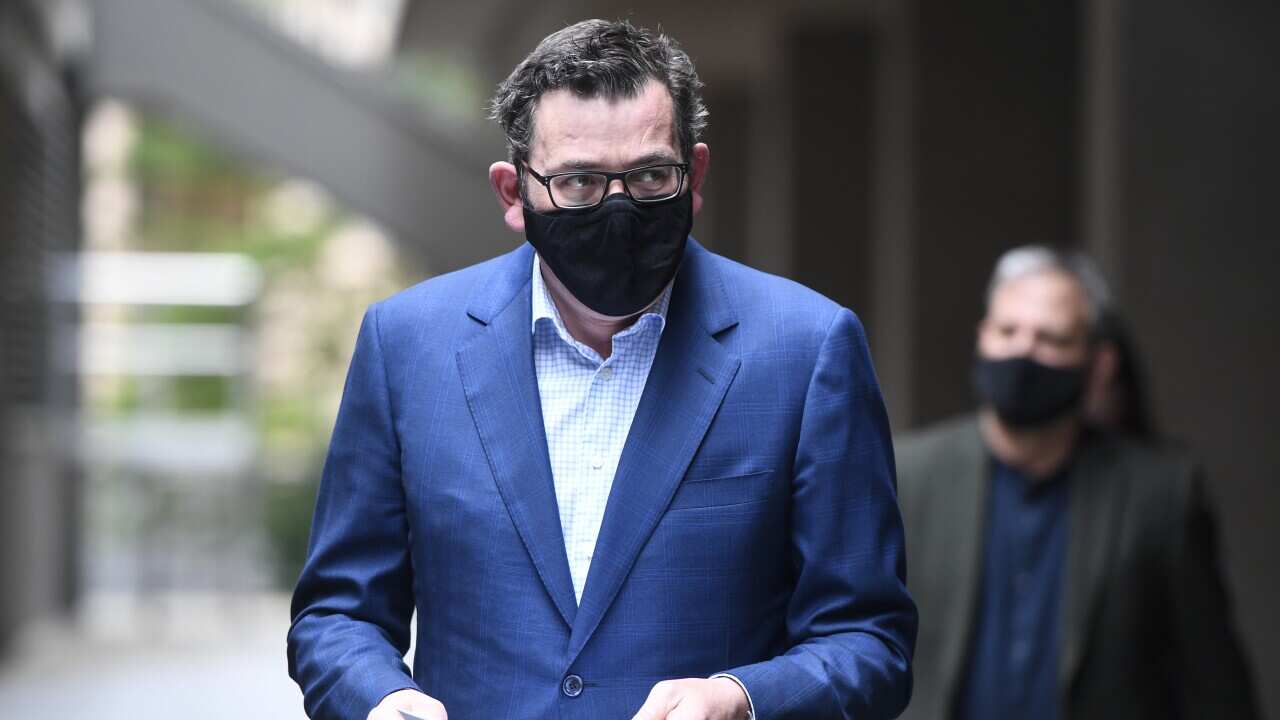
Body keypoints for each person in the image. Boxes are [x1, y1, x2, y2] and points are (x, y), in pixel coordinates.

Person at [287, 19, 916, 720]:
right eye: (580, 182)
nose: (618, 207)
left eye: (649, 176)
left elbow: (870, 641)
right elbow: (337, 614)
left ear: (695, 177)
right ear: (513, 194)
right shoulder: (407, 345)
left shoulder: (806, 349)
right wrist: (382, 700)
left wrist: (740, 698)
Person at [895, 246, 1258, 720]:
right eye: (1007, 331)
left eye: (1051, 338)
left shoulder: (1161, 493)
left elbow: (1213, 683)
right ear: (982, 338)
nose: (1024, 351)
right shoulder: (908, 474)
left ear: (1100, 364)